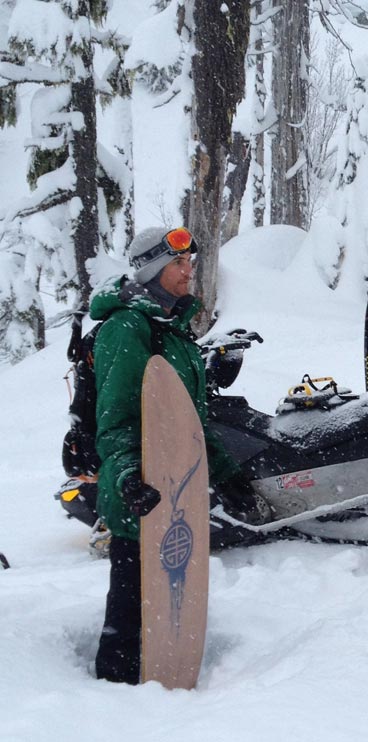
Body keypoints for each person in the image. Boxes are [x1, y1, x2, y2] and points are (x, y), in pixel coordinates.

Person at [92, 227, 271, 684]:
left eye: (189, 261)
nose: (189, 270)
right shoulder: (126, 329)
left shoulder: (171, 329)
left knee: (165, 609)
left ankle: (158, 692)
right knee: (131, 614)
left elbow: (188, 423)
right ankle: (108, 705)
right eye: (179, 263)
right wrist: (131, 476)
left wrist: (229, 476)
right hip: (140, 497)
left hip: (176, 495)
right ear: (154, 270)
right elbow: (116, 419)